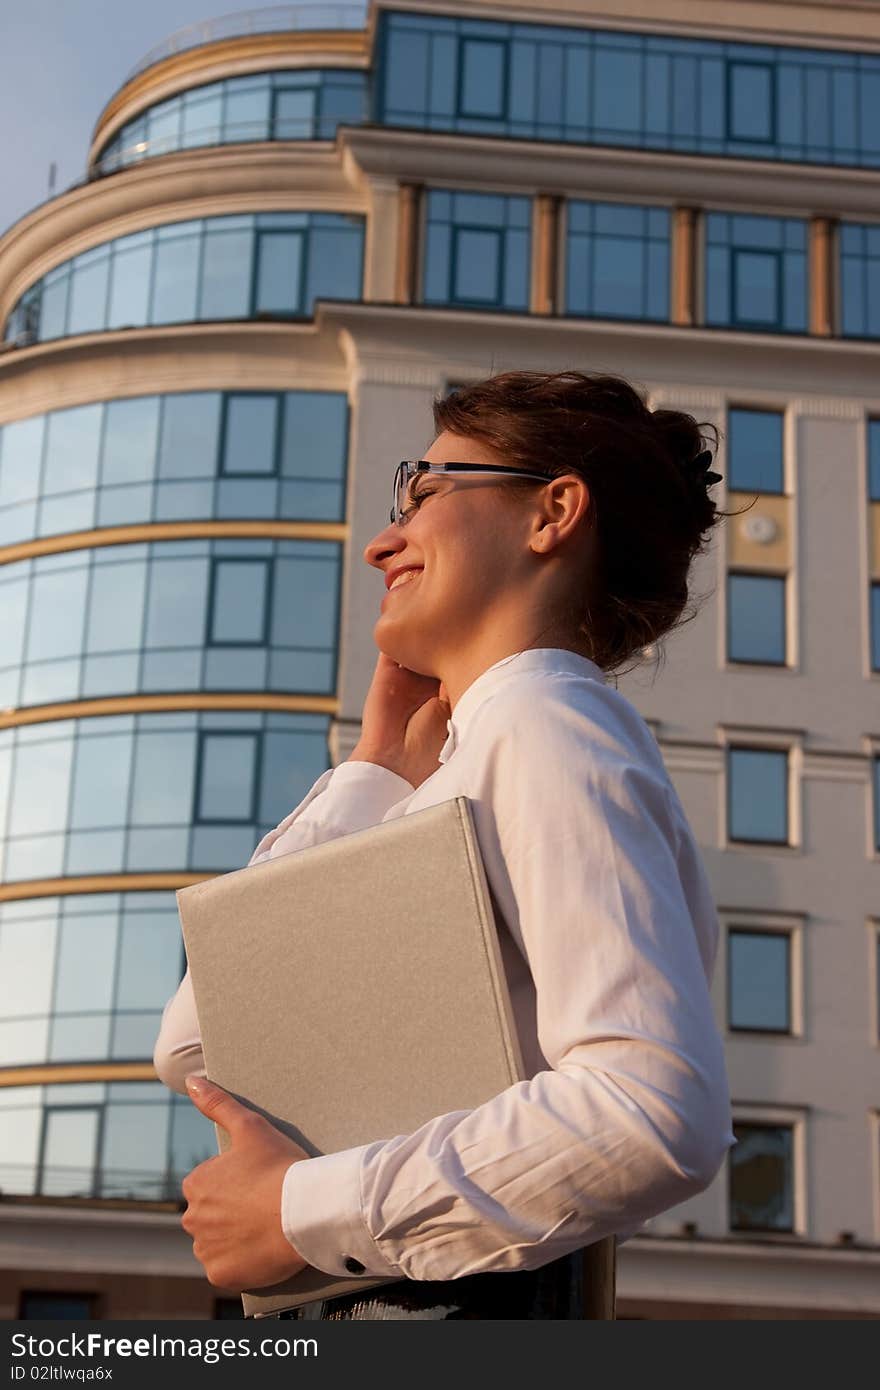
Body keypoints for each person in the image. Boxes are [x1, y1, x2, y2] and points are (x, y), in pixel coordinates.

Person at [154, 369, 736, 1320]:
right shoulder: (463, 770)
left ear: (553, 511)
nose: (386, 538)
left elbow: (651, 1110)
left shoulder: (547, 720)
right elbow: (200, 1044)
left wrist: (302, 1208)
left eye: (425, 490)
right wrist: (375, 770)